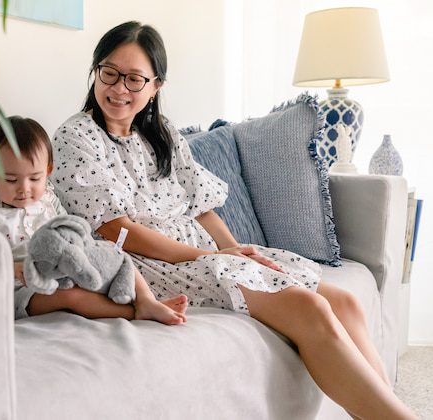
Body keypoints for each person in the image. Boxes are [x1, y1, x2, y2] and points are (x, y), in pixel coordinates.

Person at [50, 21, 417, 419]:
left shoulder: (160, 133)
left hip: (202, 254)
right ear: (95, 71)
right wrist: (203, 257)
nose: (119, 88)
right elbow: (114, 229)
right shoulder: (76, 137)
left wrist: (230, 247)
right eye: (110, 73)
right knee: (309, 310)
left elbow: (202, 204)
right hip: (149, 266)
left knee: (345, 303)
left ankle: (390, 410)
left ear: (156, 86)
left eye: (135, 79)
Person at [0, 115, 187, 324]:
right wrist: (12, 267)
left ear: (47, 172)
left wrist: (89, 249)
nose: (24, 189)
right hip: (18, 291)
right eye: (11, 179)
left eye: (35, 178)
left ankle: (147, 300)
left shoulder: (50, 203)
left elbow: (72, 234)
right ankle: (133, 313)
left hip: (64, 271)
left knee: (115, 255)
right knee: (70, 296)